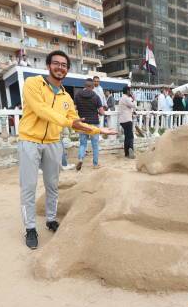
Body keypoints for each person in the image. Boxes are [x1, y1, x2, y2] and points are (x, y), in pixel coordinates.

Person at [17, 50, 116, 249]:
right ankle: (29, 229)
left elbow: (75, 121)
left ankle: (51, 219)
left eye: (64, 65)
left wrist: (97, 129)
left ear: (67, 70)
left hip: (54, 143)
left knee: (53, 185)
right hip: (30, 141)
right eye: (56, 63)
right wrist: (67, 122)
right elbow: (41, 111)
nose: (60, 67)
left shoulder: (66, 97)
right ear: (48, 65)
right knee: (28, 187)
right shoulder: (33, 84)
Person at [74, 78, 104, 171]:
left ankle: (80, 159)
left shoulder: (77, 95)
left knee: (83, 144)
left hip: (82, 123)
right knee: (95, 145)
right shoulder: (96, 96)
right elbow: (101, 112)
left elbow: (74, 109)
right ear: (92, 86)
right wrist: (100, 112)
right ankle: (95, 164)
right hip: (94, 124)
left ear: (85, 85)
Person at [118, 86, 138, 159]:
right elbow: (134, 106)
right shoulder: (126, 98)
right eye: (130, 90)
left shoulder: (123, 98)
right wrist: (134, 98)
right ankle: (131, 151)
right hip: (127, 120)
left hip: (123, 120)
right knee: (130, 136)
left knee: (127, 136)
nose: (131, 92)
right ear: (127, 91)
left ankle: (126, 153)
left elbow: (129, 106)